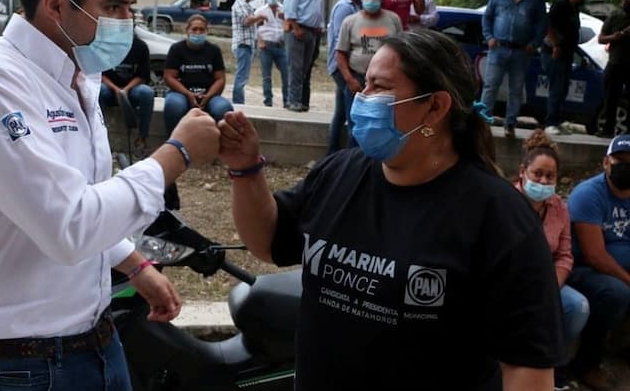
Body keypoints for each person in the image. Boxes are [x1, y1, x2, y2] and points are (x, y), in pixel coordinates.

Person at [0, 0, 221, 391]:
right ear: (54, 3)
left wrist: (132, 262)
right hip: (18, 366)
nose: (126, 21)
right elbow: (68, 224)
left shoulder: (76, 77)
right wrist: (176, 156)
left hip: (96, 342)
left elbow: (78, 196)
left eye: (130, 7)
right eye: (112, 6)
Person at [218, 29, 565, 390]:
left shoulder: (499, 218)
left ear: (435, 107)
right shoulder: (340, 172)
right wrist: (245, 170)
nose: (362, 97)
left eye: (379, 87)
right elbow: (269, 242)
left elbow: (528, 368)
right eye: (364, 83)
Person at [513, 130, 589, 390]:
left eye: (550, 176)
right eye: (538, 174)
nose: (543, 181)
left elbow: (565, 254)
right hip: (511, 282)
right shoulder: (505, 202)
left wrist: (552, 285)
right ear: (523, 171)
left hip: (547, 281)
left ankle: (554, 367)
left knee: (577, 307)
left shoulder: (559, 206)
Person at [567, 134, 630, 390]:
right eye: (620, 160)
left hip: (619, 267)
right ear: (606, 162)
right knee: (616, 293)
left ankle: (624, 347)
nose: (625, 166)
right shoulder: (588, 194)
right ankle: (586, 364)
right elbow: (595, 256)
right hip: (583, 269)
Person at [480, 0, 547, 138]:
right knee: (490, 86)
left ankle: (510, 124)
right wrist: (489, 37)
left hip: (521, 51)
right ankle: (482, 122)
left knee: (516, 89)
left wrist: (534, 43)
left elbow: (541, 25)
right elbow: (487, 18)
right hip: (498, 48)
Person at [335, 0, 402, 134]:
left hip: (384, 83)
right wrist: (349, 80)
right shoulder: (350, 22)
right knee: (355, 128)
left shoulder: (393, 20)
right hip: (357, 80)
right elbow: (340, 54)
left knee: (380, 127)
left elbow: (402, 51)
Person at [163, 14, 233, 134]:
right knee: (174, 106)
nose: (198, 33)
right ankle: (173, 143)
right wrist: (188, 94)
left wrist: (208, 96)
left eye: (202, 30)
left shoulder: (214, 50)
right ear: (187, 31)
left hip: (208, 95)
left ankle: (219, 147)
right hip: (181, 93)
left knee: (224, 108)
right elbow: (169, 77)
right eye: (194, 29)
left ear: (207, 31)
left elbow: (220, 79)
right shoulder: (177, 49)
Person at [326, 0, 367, 153]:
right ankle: (343, 154)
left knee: (341, 113)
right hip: (342, 68)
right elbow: (339, 41)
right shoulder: (345, 8)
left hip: (346, 67)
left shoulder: (356, 7)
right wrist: (348, 72)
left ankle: (332, 152)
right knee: (351, 115)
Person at [99, 30, 155, 158]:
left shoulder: (140, 46)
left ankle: (141, 139)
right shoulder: (106, 45)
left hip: (132, 89)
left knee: (147, 93)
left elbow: (142, 76)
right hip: (109, 88)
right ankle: (101, 139)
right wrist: (116, 90)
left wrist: (125, 90)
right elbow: (100, 74)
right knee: (98, 91)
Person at [282, 0, 325, 112]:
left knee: (305, 69)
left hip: (312, 32)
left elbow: (318, 9)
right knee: (296, 67)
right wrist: (295, 27)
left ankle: (302, 100)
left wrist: (319, 26)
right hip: (298, 29)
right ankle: (293, 100)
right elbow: (289, 8)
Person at [543, 0, 587, 136]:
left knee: (562, 89)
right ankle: (550, 123)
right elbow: (548, 25)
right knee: (556, 87)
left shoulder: (574, 9)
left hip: (567, 54)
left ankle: (558, 120)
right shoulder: (560, 6)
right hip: (555, 53)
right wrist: (555, 45)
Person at [595, 0, 630, 138]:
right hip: (615, 62)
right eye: (626, 0)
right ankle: (607, 129)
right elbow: (601, 38)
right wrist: (615, 37)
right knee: (610, 97)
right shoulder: (616, 16)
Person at [252, 0, 288, 107]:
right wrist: (259, 40)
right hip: (266, 46)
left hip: (280, 46)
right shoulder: (260, 11)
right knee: (266, 76)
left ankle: (287, 101)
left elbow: (289, 26)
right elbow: (255, 28)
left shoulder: (284, 9)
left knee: (286, 74)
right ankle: (268, 101)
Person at [230, 0, 262, 104]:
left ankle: (239, 101)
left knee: (243, 76)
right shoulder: (239, 4)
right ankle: (238, 103)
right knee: (241, 76)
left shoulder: (248, 5)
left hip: (248, 44)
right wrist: (261, 15)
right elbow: (247, 21)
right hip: (242, 44)